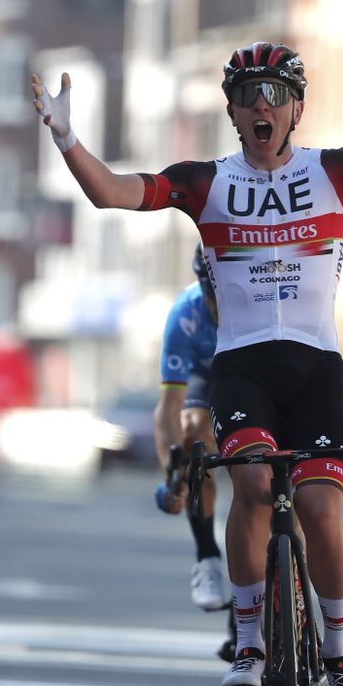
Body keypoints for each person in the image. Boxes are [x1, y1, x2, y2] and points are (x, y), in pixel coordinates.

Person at [32, 41, 343, 686]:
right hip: (243, 365)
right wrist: (69, 139)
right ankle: (250, 639)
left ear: (297, 110)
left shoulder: (336, 170)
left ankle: (339, 655)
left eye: (276, 94)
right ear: (230, 110)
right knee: (250, 482)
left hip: (315, 365)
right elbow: (113, 193)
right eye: (250, 94)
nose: (263, 105)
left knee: (318, 510)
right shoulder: (204, 181)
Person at [153, 242, 228, 611]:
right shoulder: (186, 313)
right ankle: (208, 557)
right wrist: (172, 472)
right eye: (211, 289)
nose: (217, 301)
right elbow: (168, 407)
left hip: (256, 369)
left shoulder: (264, 299)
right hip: (206, 379)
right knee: (193, 431)